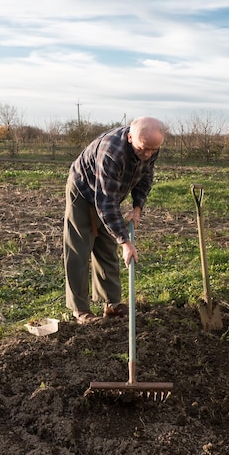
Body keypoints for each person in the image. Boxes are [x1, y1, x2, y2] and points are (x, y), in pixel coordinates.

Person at [63, 116, 165, 324]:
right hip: (83, 190)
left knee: (107, 247)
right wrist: (126, 242)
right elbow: (105, 202)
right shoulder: (112, 152)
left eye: (152, 151)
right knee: (79, 250)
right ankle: (80, 310)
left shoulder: (151, 146)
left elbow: (146, 177)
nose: (147, 154)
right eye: (143, 148)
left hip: (110, 192)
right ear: (130, 137)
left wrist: (137, 208)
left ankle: (111, 303)